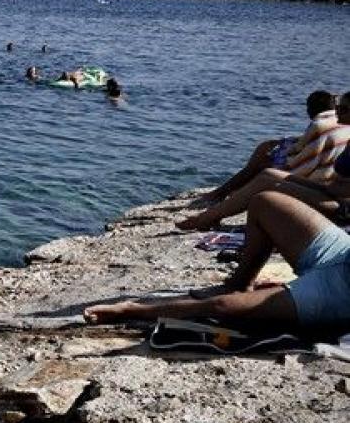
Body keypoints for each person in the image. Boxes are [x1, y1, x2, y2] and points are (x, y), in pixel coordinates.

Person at [85, 193, 350, 332]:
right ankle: (240, 282)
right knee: (265, 201)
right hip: (340, 253)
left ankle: (131, 310)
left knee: (223, 306)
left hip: (338, 293)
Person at [178, 92, 350, 230]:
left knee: (266, 186)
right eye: (338, 107)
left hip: (341, 207)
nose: (337, 113)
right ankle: (212, 213)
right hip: (330, 192)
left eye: (344, 109)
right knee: (268, 174)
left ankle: (207, 218)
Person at [199, 91, 340, 205]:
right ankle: (231, 191)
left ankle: (222, 193)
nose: (307, 111)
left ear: (312, 108)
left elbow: (299, 156)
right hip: (327, 173)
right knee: (265, 150)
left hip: (313, 180)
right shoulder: (337, 121)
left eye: (307, 107)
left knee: (260, 164)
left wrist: (283, 153)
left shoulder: (318, 124)